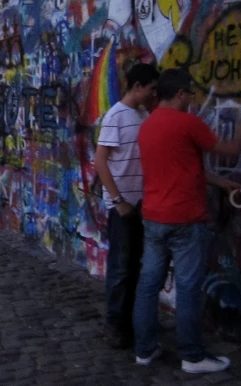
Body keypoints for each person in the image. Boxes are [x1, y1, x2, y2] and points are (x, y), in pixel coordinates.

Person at [134, 69, 241, 373]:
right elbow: (232, 150)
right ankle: (192, 356)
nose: (192, 100)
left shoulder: (147, 126)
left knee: (148, 284)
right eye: (190, 94)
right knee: (187, 287)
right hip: (185, 218)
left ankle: (144, 350)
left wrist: (221, 183)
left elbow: (181, 168)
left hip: (153, 217)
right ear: (181, 93)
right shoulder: (187, 123)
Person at [94, 63, 159, 349]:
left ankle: (131, 321)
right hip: (123, 205)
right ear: (137, 87)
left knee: (135, 266)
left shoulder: (144, 115)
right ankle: (114, 324)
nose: (154, 94)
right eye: (152, 89)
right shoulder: (116, 116)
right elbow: (100, 161)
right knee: (121, 267)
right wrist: (118, 200)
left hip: (143, 204)